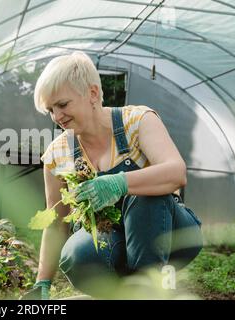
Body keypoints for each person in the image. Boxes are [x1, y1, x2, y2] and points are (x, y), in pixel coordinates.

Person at [21, 51, 203, 300]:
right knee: (79, 252)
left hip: (169, 232)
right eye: (50, 110)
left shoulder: (137, 121)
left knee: (144, 193)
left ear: (92, 94)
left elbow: (176, 173)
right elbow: (56, 224)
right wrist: (42, 282)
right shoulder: (57, 155)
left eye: (62, 105)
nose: (57, 117)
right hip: (113, 240)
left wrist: (121, 182)